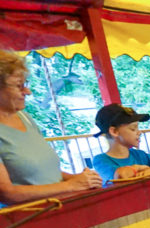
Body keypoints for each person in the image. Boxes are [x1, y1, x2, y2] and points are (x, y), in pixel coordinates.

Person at [0, 50, 101, 207]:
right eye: (19, 86)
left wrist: (78, 179)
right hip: (26, 219)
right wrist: (71, 185)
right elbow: (7, 193)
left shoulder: (25, 118)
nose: (27, 92)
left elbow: (44, 175)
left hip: (55, 209)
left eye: (25, 85)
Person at [91, 104, 150, 185]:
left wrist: (148, 172)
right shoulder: (100, 160)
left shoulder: (139, 155)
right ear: (114, 131)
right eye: (133, 129)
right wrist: (140, 168)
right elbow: (122, 175)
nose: (139, 132)